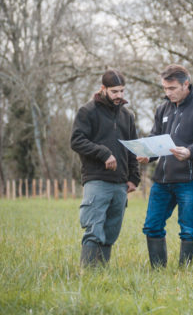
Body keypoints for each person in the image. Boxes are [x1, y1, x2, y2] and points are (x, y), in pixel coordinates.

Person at [137, 64, 193, 268]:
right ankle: (158, 271)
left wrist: (189, 152)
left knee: (188, 228)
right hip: (162, 179)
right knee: (152, 226)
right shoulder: (162, 108)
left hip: (189, 180)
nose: (168, 93)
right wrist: (148, 154)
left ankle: (184, 271)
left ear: (186, 84)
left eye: (172, 88)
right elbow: (156, 138)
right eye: (165, 88)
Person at [70, 69, 140, 267]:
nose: (119, 96)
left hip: (120, 183)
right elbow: (76, 141)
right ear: (103, 89)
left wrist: (134, 178)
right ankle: (89, 275)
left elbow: (133, 148)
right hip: (97, 179)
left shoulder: (127, 116)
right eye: (115, 91)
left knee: (111, 232)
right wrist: (103, 153)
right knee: (94, 229)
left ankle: (101, 275)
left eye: (122, 91)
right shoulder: (88, 111)